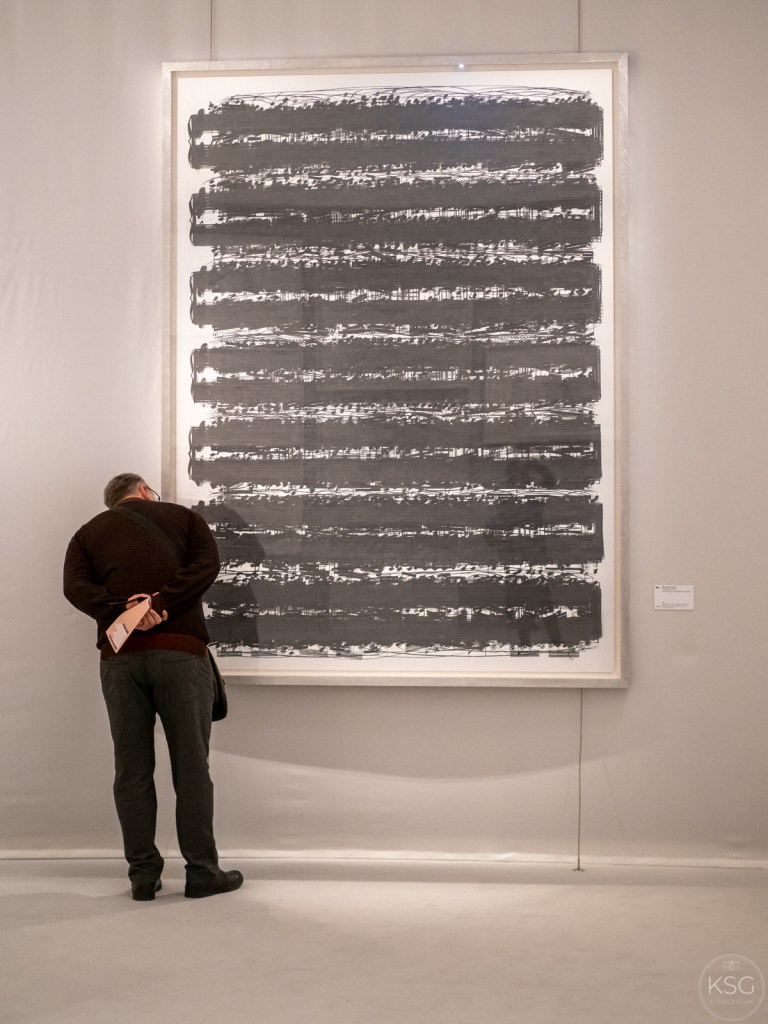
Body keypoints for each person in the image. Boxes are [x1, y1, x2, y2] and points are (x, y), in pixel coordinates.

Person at [63, 473, 243, 901]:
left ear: (113, 502)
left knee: (131, 770)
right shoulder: (184, 518)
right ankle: (202, 872)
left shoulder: (87, 534)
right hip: (181, 654)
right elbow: (206, 567)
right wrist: (159, 604)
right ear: (144, 490)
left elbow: (75, 588)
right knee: (191, 768)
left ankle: (143, 875)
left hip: (120, 660)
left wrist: (123, 609)